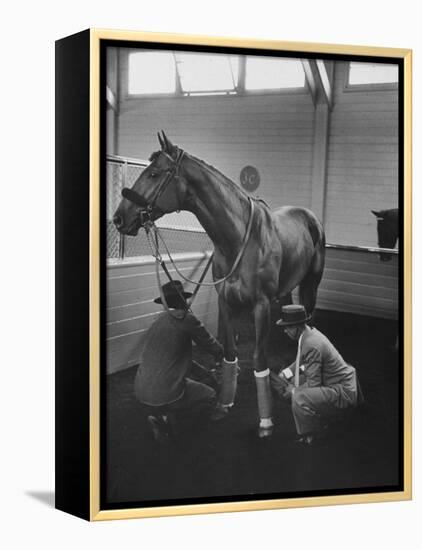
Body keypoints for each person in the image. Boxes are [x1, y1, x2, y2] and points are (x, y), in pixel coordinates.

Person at [134, 280, 226, 443]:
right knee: (210, 396)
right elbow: (212, 346)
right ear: (182, 300)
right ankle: (171, 424)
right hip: (166, 393)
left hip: (141, 391)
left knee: (175, 380)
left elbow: (175, 360)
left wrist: (205, 373)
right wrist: (224, 354)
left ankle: (160, 415)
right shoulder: (187, 319)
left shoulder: (157, 321)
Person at [270, 304, 363, 445]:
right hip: (338, 381)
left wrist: (293, 391)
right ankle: (321, 417)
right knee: (297, 381)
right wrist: (285, 373)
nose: (285, 331)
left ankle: (314, 433)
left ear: (296, 327)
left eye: (287, 327)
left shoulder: (310, 344)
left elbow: (314, 384)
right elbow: (301, 361)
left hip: (342, 392)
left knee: (299, 396)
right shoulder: (309, 334)